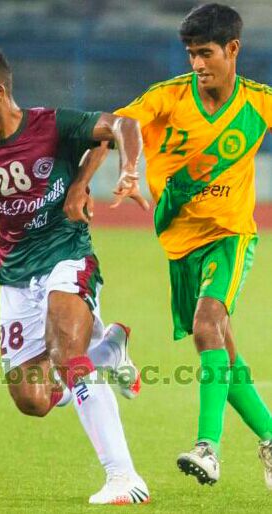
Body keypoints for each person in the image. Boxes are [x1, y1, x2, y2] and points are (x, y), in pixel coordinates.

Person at [0, 45, 150, 504]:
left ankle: (124, 477)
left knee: (67, 357)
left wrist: (124, 171)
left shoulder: (50, 125)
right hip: (15, 273)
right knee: (32, 400)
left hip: (66, 255)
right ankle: (108, 351)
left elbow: (121, 126)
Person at [65, 3, 272, 488]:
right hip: (179, 245)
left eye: (206, 53)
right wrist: (92, 181)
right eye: (191, 54)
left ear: (233, 49)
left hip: (230, 236)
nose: (197, 64)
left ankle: (208, 448)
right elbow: (115, 128)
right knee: (223, 352)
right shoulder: (168, 97)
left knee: (207, 325)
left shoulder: (259, 102)